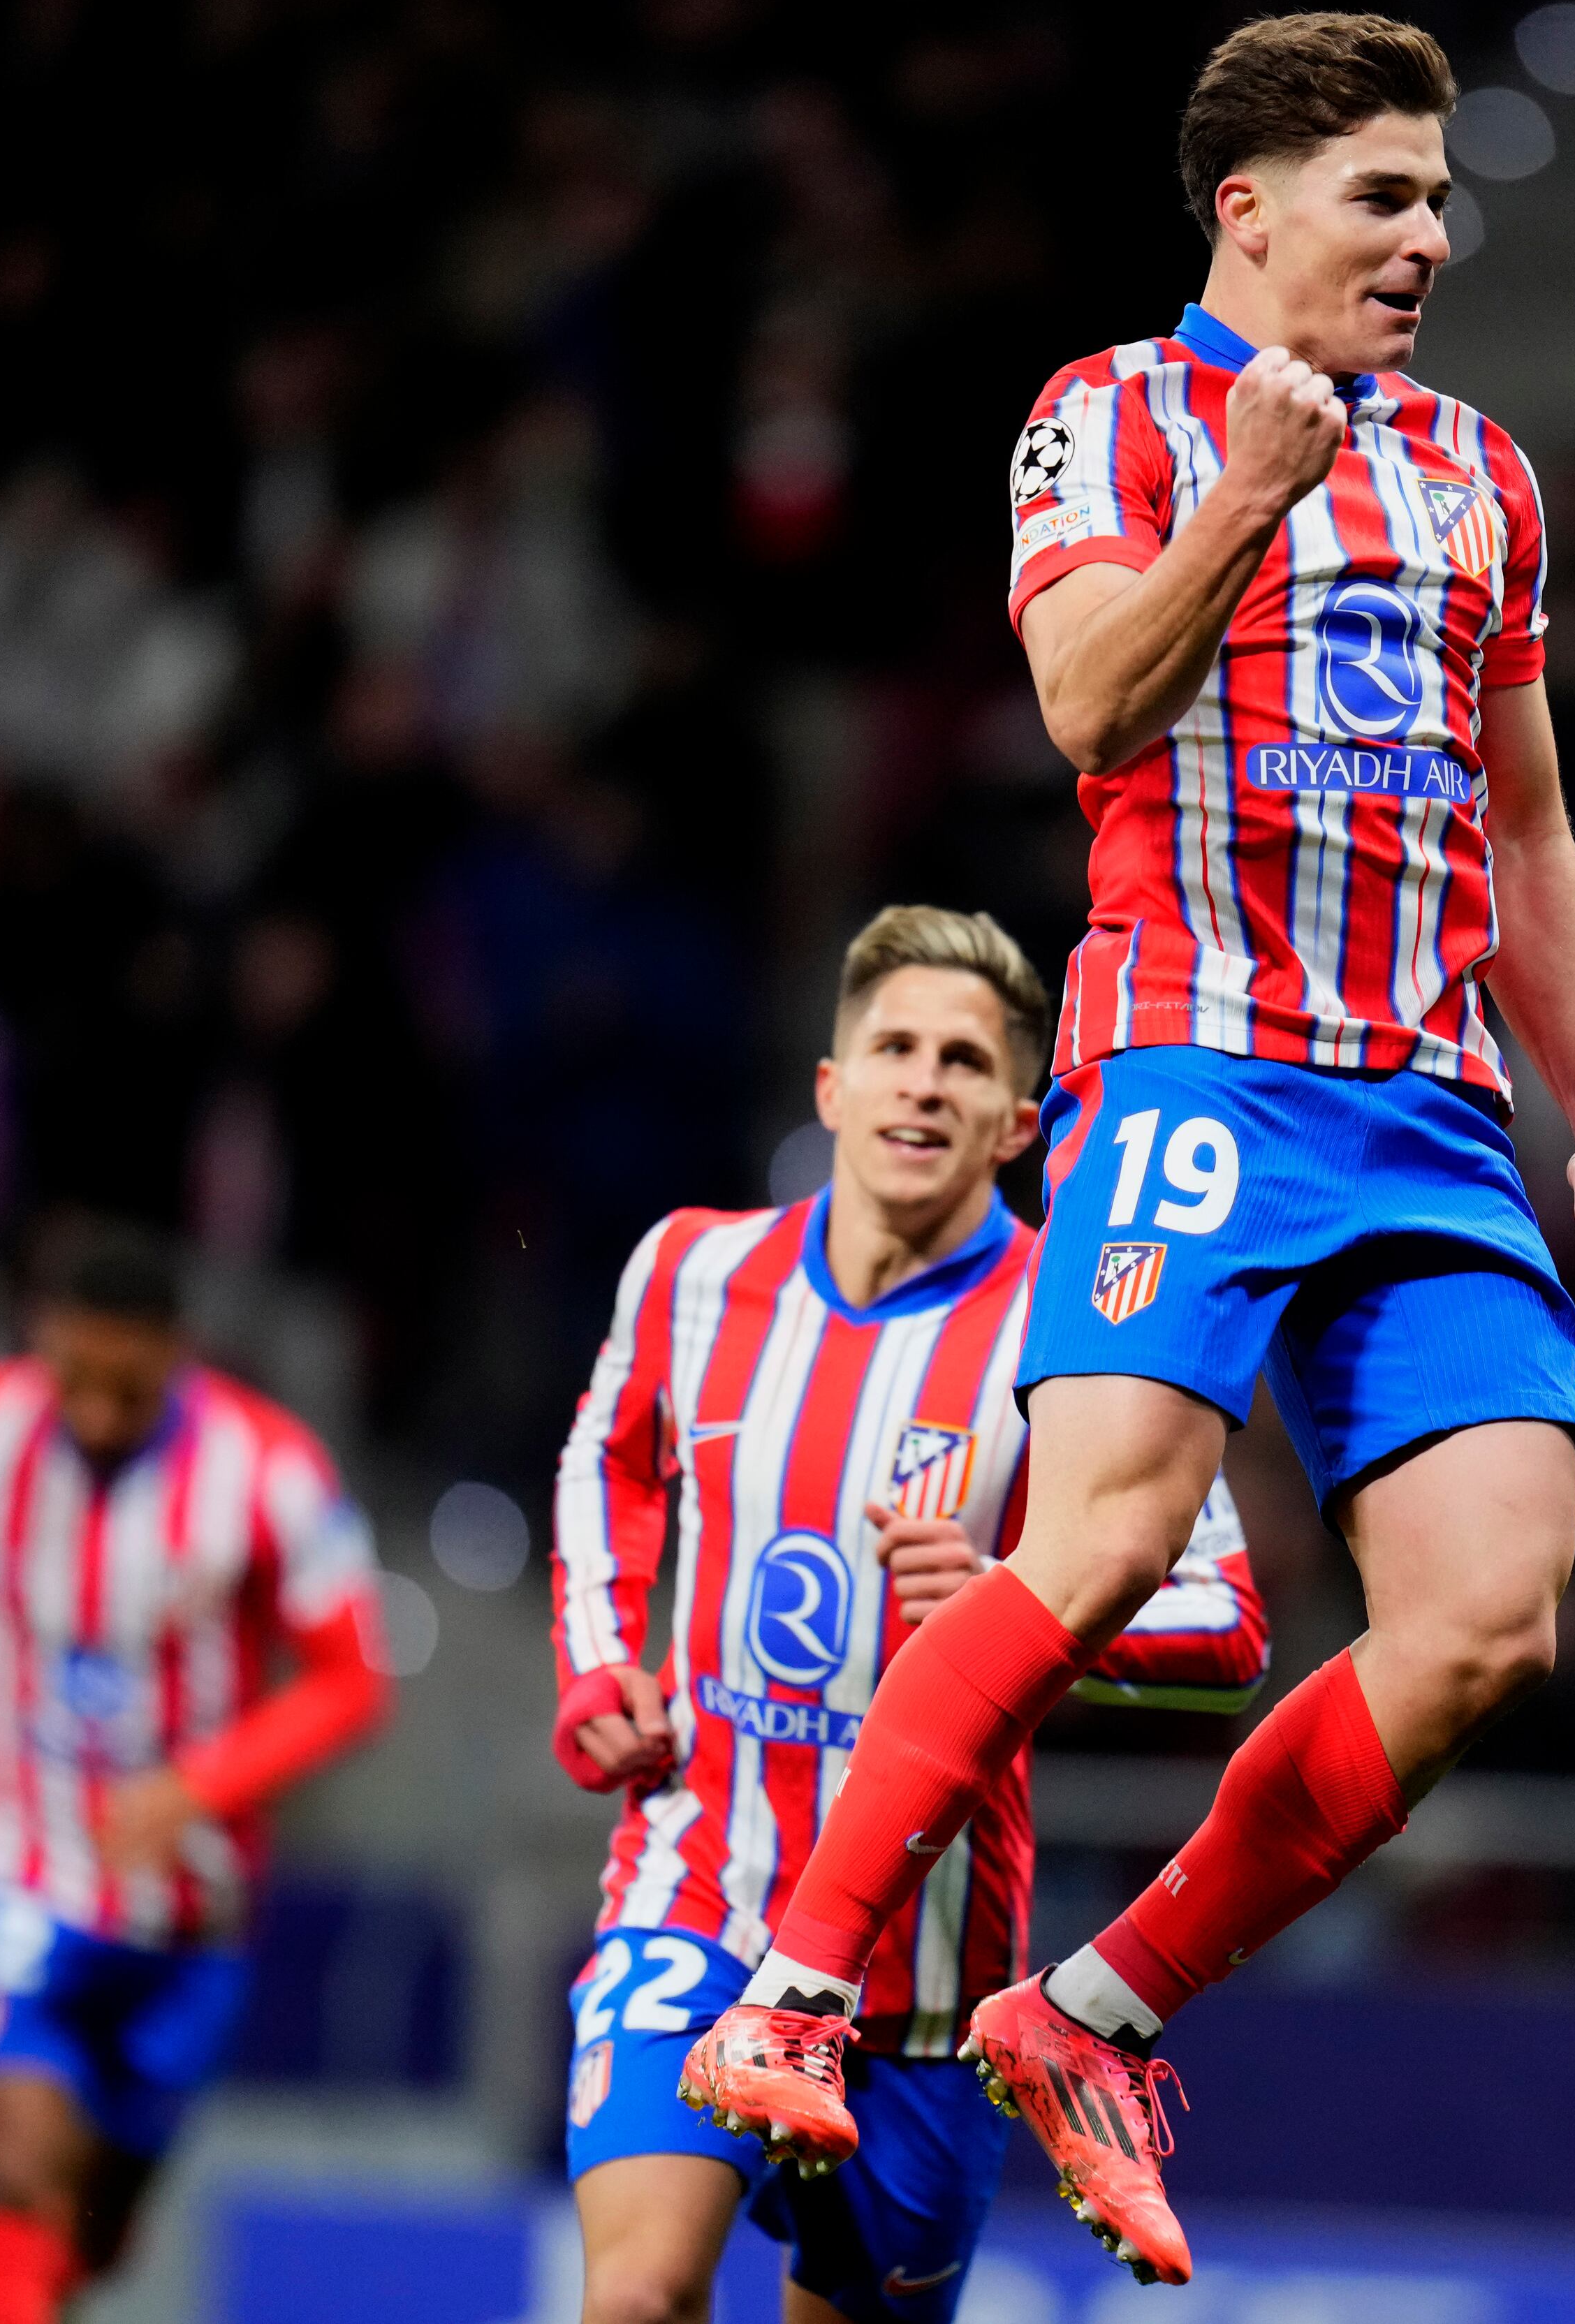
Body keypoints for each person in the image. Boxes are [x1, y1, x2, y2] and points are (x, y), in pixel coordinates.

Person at [680, 15, 1575, 2286]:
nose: (1430, 237)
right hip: (1201, 1068)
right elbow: (1080, 705)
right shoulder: (1105, 416)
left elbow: (1526, 824)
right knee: (1110, 1539)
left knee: (1493, 1623)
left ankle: (1101, 2013)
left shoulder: (1483, 481)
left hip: (1431, 1108)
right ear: (1251, 210)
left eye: (1438, 199)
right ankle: (798, 1984)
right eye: (1385, 197)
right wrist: (1244, 489)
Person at [555, 906, 1268, 2324]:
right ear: (833, 1087)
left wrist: (1033, 1606)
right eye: (893, 1047)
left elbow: (1230, 1626)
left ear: (1016, 1121)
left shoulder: (1080, 1335)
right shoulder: (692, 1270)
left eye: (961, 1059)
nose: (923, 1080)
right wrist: (598, 1664)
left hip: (927, 1982)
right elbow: (609, 1457)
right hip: (695, 1885)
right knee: (639, 2293)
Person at [0, 1221, 390, 2324]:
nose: (96, 1415)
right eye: (75, 1379)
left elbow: (353, 1679)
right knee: (20, 2164)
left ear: (177, 1355)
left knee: (88, 2229)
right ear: (42, 1343)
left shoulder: (267, 1471)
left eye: (127, 1391)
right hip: (18, 1876)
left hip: (190, 1916)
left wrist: (199, 1785)